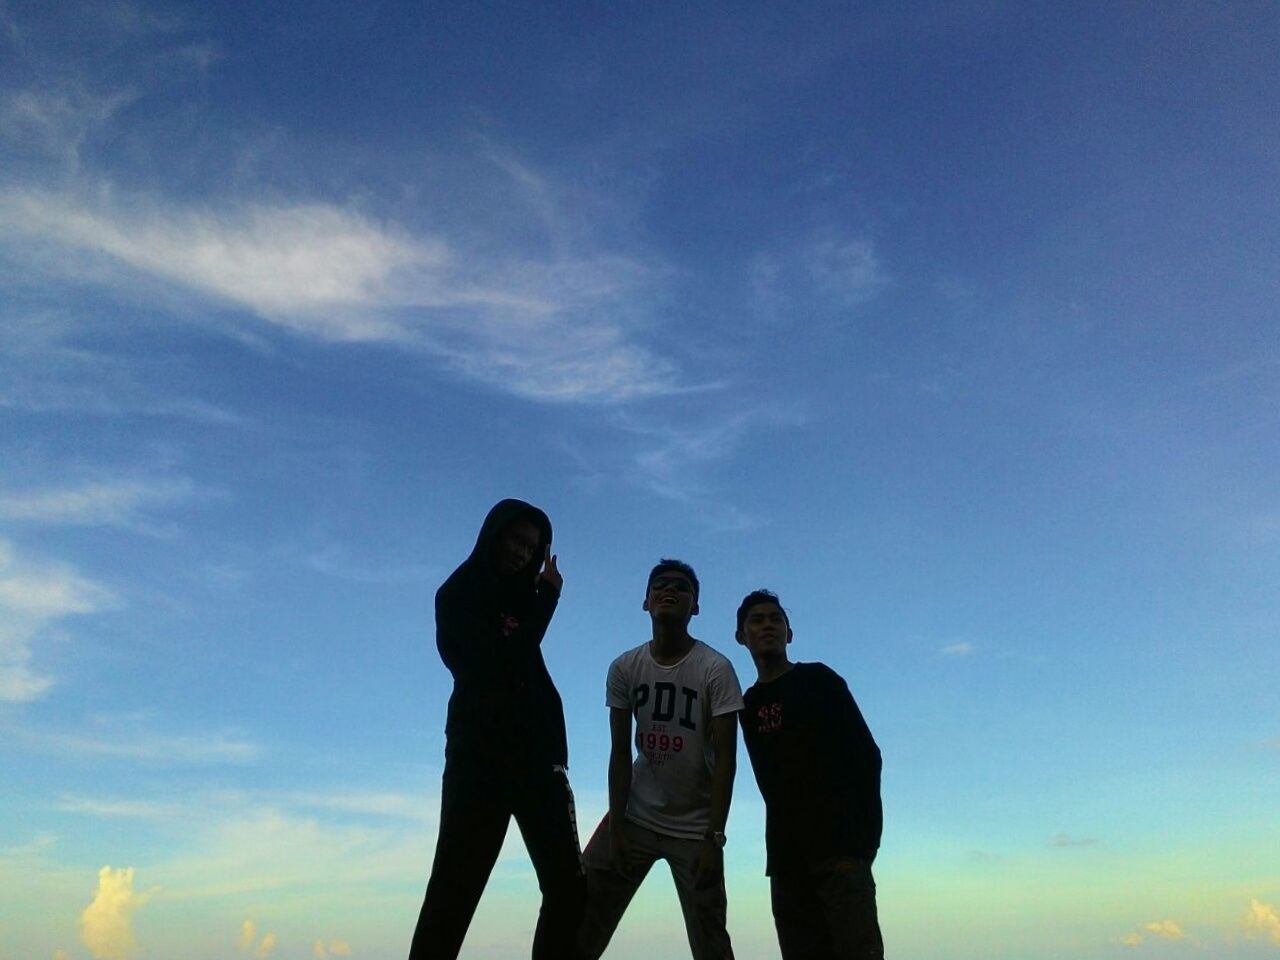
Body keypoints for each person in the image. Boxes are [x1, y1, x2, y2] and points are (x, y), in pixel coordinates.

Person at [408, 499, 584, 960]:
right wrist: (547, 601)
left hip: (538, 763)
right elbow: (497, 665)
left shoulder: (525, 598)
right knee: (454, 890)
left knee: (570, 888)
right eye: (515, 540)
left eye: (533, 546)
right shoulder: (458, 596)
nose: (522, 553)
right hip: (479, 761)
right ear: (493, 534)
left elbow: (528, 669)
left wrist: (539, 599)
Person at [579, 559, 743, 960]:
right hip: (635, 816)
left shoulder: (715, 669)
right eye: (661, 585)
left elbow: (726, 760)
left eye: (682, 587)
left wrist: (715, 838)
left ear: (696, 606)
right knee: (580, 911)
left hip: (694, 828)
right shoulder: (625, 667)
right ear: (646, 601)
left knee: (710, 939)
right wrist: (617, 827)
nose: (670, 591)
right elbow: (619, 752)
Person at [735, 589, 884, 960]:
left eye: (775, 619)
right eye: (757, 620)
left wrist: (864, 843)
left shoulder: (819, 680)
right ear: (741, 636)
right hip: (786, 861)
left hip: (840, 854)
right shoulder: (747, 704)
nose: (767, 625)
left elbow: (867, 757)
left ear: (789, 633)